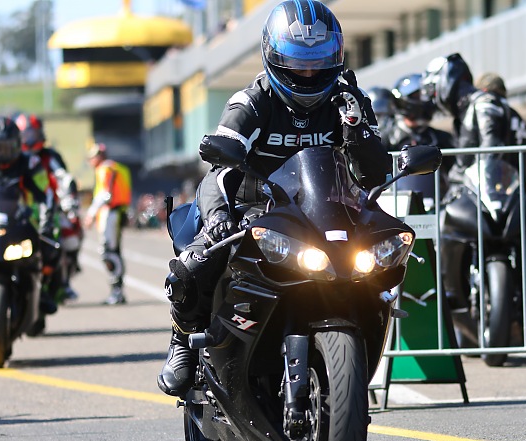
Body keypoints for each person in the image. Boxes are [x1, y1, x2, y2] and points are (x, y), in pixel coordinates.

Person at [157, 0, 391, 397]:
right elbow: (223, 155)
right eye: (299, 63)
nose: (310, 72)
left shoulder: (348, 99)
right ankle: (182, 341)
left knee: (381, 258)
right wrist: (219, 217)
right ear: (273, 57)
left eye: (319, 62)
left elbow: (375, 171)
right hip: (254, 208)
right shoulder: (252, 101)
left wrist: (355, 127)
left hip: (324, 213)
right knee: (193, 266)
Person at [421, 53, 526, 347]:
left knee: (449, 232)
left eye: (433, 88)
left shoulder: (483, 104)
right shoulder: (496, 110)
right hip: (503, 195)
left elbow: (491, 149)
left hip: (487, 196)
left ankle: (464, 313)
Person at [0, 115, 58, 324]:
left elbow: (45, 195)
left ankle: (42, 290)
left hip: (21, 219)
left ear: (18, 145)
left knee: (50, 248)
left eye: (9, 147)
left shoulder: (30, 163)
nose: (4, 154)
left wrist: (46, 224)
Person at [15, 113, 83, 301]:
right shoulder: (14, 158)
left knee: (71, 238)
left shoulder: (50, 156)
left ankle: (64, 280)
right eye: (25, 134)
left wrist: (69, 199)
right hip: (20, 208)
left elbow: (63, 176)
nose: (29, 139)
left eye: (33, 133)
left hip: (50, 206)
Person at [382, 72, 455, 209]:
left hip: (436, 206)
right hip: (395, 205)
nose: (425, 100)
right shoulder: (387, 138)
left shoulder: (441, 138)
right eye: (418, 96)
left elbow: (457, 172)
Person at [83, 143, 132, 304]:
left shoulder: (105, 169)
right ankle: (117, 290)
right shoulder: (118, 167)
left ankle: (117, 291)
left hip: (110, 214)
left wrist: (90, 214)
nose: (90, 161)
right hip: (117, 212)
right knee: (113, 251)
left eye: (92, 158)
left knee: (109, 252)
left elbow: (106, 194)